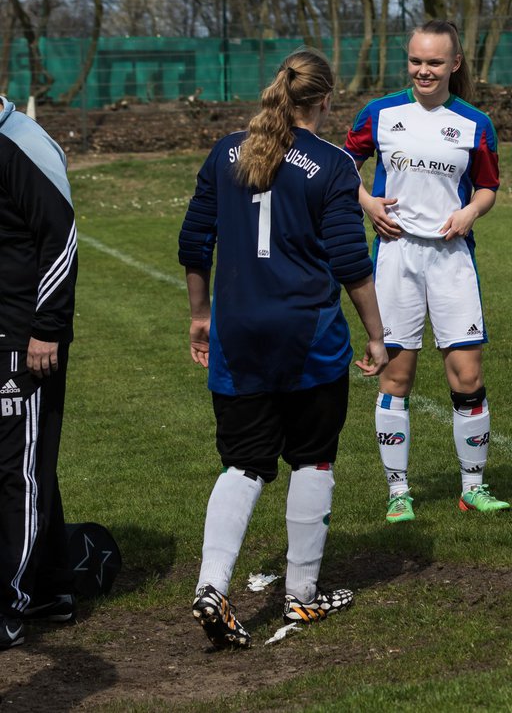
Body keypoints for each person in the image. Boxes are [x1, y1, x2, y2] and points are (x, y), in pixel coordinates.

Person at [179, 48, 388, 648]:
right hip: (307, 336)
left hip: (238, 333)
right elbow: (351, 263)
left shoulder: (225, 152)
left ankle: (211, 585)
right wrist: (376, 334)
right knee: (313, 456)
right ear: (326, 99)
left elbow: (194, 243)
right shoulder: (333, 164)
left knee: (243, 463)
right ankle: (301, 595)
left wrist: (199, 316)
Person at [345, 21, 509, 522]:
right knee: (397, 375)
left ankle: (473, 487)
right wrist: (368, 201)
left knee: (467, 374)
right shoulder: (380, 113)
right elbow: (341, 165)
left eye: (434, 62)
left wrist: (471, 212)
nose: (423, 70)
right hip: (395, 258)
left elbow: (488, 186)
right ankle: (398, 491)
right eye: (416, 60)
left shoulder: (474, 122)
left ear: (454, 65)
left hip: (451, 259)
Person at [0, 96, 78, 650]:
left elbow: (62, 236)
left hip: (21, 337)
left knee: (15, 472)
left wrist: (45, 326)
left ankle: (9, 603)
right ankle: (49, 584)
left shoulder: (20, 141)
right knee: (21, 467)